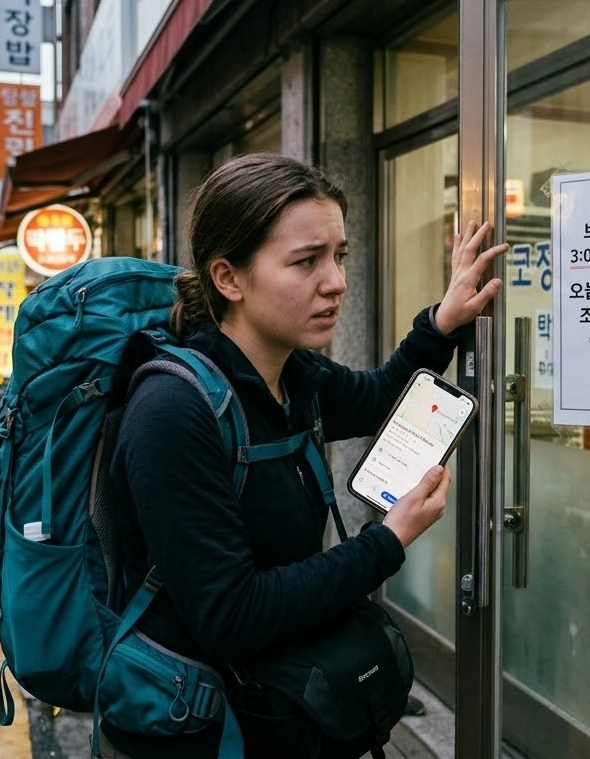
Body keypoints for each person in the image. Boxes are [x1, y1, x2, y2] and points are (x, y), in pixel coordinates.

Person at [102, 152, 506, 758]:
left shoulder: (293, 375)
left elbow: (374, 399)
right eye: (306, 261)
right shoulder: (172, 411)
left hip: (275, 709)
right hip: (193, 730)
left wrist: (442, 321)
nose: (336, 281)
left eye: (338, 255)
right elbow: (231, 615)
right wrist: (387, 540)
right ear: (228, 278)